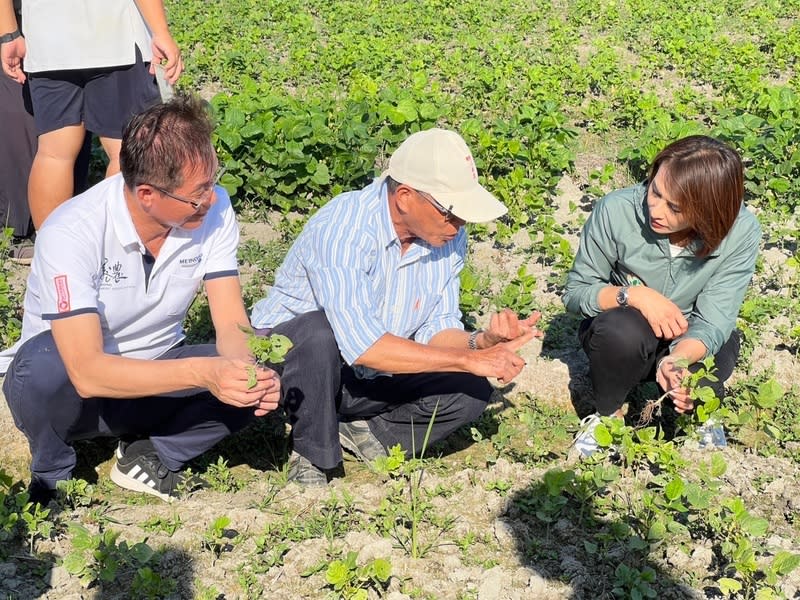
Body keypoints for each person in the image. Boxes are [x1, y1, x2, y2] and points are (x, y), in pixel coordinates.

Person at [0, 95, 280, 504]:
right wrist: (204, 374)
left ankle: (150, 455)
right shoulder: (73, 230)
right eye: (197, 192)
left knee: (264, 365)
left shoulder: (213, 210)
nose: (211, 199)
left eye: (213, 181)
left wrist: (242, 371)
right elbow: (86, 372)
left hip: (159, 366)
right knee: (40, 366)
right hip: (76, 394)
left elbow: (231, 322)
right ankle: (52, 470)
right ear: (147, 194)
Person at [250, 128, 542, 486]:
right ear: (404, 197)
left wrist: (481, 344)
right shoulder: (346, 227)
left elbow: (437, 328)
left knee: (471, 390)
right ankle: (312, 453)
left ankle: (364, 432)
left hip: (369, 373)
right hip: (294, 372)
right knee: (318, 334)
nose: (461, 224)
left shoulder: (447, 238)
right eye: (451, 212)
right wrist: (468, 359)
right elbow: (363, 346)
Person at [562, 135, 761, 457]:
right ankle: (606, 417)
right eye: (655, 191)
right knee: (618, 333)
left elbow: (713, 319)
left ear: (709, 211)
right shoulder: (617, 211)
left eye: (675, 207)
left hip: (690, 333)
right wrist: (635, 296)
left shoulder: (741, 232)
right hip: (627, 329)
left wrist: (678, 359)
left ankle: (696, 417)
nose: (655, 209)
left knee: (704, 372)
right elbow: (576, 293)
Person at [0, 0, 183, 231]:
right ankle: (114, 253)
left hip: (47, 39)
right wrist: (161, 31)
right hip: (115, 36)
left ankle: (51, 256)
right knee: (126, 152)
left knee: (54, 154)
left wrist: (8, 33)